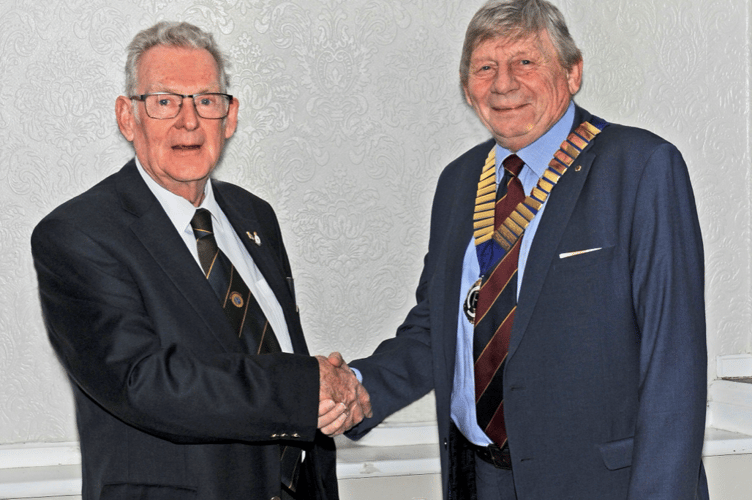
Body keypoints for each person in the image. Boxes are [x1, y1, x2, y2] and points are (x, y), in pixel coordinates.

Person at [336, 1, 709, 498]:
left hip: (599, 485)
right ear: (468, 89)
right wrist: (359, 388)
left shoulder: (640, 169)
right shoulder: (458, 182)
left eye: (525, 62)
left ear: (572, 72)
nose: (504, 83)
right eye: (485, 67)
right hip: (479, 478)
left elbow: (673, 360)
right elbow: (438, 327)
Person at [32, 21, 370, 500]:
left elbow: (270, 354)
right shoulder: (78, 234)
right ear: (128, 118)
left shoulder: (255, 215)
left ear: (229, 118)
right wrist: (305, 387)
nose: (188, 121)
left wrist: (332, 398)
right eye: (165, 101)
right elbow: (143, 382)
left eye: (206, 101)